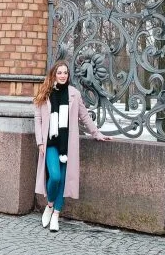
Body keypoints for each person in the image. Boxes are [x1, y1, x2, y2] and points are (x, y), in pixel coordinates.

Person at [33, 60, 110, 233]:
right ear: (54, 74)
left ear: (68, 75)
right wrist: (40, 142)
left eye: (65, 73)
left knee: (63, 179)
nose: (62, 75)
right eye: (59, 72)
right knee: (55, 177)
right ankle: (50, 205)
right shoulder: (45, 93)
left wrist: (97, 134)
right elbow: (37, 120)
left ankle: (55, 215)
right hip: (50, 142)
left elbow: (84, 116)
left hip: (67, 144)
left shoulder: (74, 94)